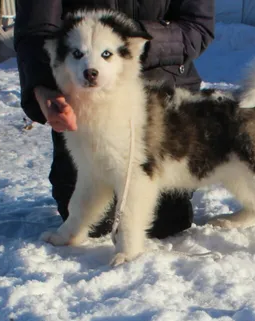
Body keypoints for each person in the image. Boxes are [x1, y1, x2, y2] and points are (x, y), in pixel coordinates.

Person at [14, 0, 215, 239]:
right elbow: (36, 29)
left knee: (165, 222)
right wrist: (41, 87)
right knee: (95, 225)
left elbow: (197, 27)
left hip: (162, 99)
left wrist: (125, 38)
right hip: (77, 96)